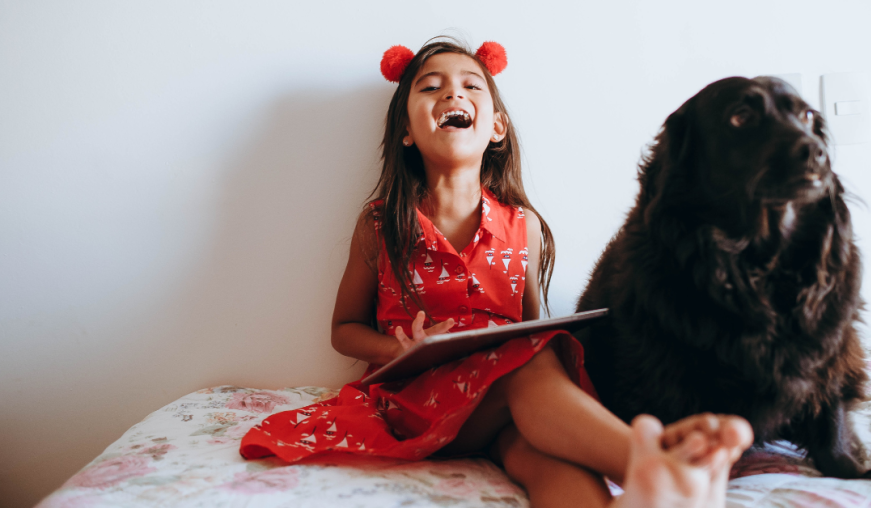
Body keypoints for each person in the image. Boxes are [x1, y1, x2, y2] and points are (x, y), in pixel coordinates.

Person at [240, 37, 753, 508]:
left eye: (469, 85)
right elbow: (343, 330)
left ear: (497, 127)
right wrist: (397, 348)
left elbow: (530, 329)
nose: (451, 95)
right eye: (430, 86)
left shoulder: (522, 225)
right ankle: (659, 462)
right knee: (525, 369)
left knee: (543, 448)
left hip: (501, 406)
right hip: (420, 401)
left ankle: (639, 497)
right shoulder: (380, 225)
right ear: (405, 132)